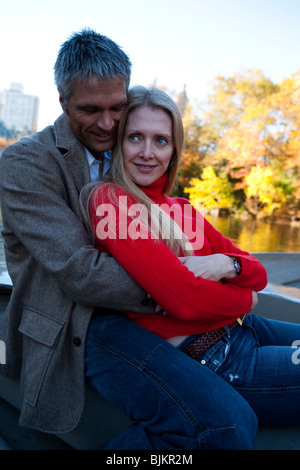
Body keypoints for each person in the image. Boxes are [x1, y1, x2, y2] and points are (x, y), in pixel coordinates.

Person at [0, 28, 259, 451]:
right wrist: (174, 287)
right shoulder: (26, 163)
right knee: (226, 425)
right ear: (63, 102)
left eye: (117, 108)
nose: (106, 124)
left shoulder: (127, 153)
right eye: (90, 109)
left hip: (153, 315)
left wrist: (227, 271)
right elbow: (81, 271)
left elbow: (181, 236)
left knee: (267, 331)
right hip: (79, 323)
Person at [81, 85, 300, 432]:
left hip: (247, 329)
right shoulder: (112, 202)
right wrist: (248, 299)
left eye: (161, 141)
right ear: (118, 142)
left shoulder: (182, 209)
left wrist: (226, 265)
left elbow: (255, 270)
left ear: (174, 150)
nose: (147, 153)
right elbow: (184, 301)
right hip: (216, 356)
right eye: (135, 138)